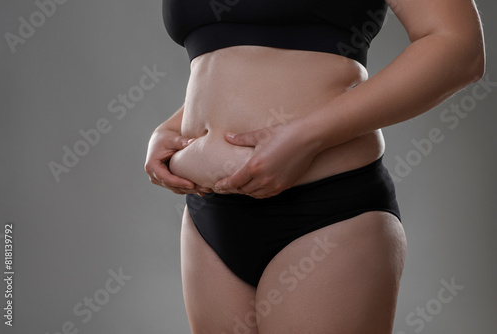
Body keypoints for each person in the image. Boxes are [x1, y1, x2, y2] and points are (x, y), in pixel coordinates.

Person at [145, 0, 485, 333]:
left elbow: (458, 45)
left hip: (327, 211)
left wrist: (307, 138)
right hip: (210, 214)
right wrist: (173, 128)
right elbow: (231, 59)